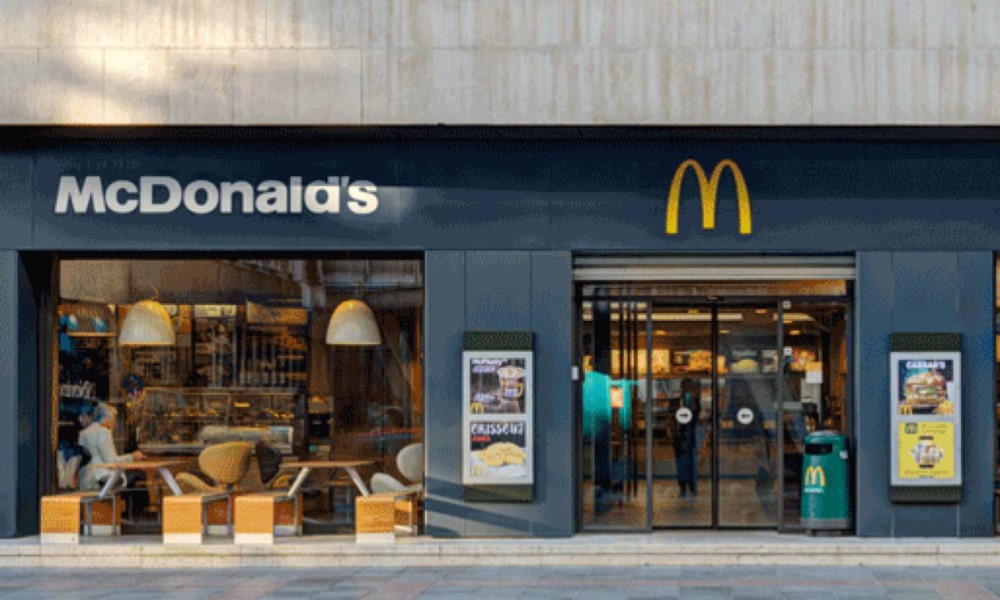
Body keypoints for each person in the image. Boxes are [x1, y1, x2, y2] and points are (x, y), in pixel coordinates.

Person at [78, 403, 143, 491]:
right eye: (113, 420)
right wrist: (132, 457)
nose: (114, 424)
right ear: (105, 418)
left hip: (86, 481)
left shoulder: (83, 433)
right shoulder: (103, 432)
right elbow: (111, 462)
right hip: (102, 478)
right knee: (139, 474)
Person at [673, 378, 702, 498]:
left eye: (690, 387)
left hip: (691, 435)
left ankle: (691, 485)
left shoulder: (695, 401)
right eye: (686, 387)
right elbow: (672, 417)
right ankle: (683, 485)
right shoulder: (676, 401)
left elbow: (697, 414)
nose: (687, 389)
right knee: (681, 462)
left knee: (692, 461)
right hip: (680, 436)